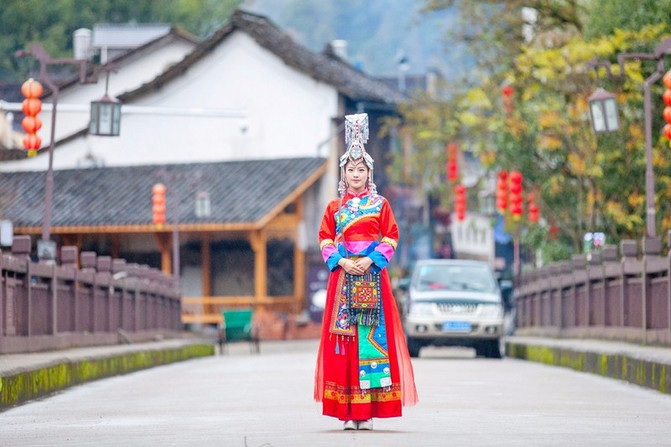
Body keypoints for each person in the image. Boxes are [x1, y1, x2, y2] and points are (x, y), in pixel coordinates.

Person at [314, 113, 418, 431]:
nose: (356, 174)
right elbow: (325, 239)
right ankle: (347, 410)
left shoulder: (380, 204)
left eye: (361, 169)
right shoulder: (335, 208)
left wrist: (371, 260)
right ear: (343, 172)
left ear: (369, 172)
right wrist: (342, 262)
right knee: (343, 342)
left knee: (371, 340)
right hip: (343, 280)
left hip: (372, 277)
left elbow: (391, 237)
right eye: (351, 169)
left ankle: (367, 410)